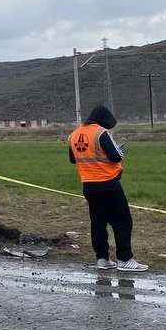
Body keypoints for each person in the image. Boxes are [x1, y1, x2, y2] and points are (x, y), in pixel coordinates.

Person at [68, 105, 147, 272]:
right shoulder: (101, 133)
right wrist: (117, 150)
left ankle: (102, 258)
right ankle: (125, 259)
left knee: (98, 222)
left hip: (88, 186)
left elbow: (73, 159)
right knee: (123, 221)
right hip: (108, 183)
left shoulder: (73, 135)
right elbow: (115, 156)